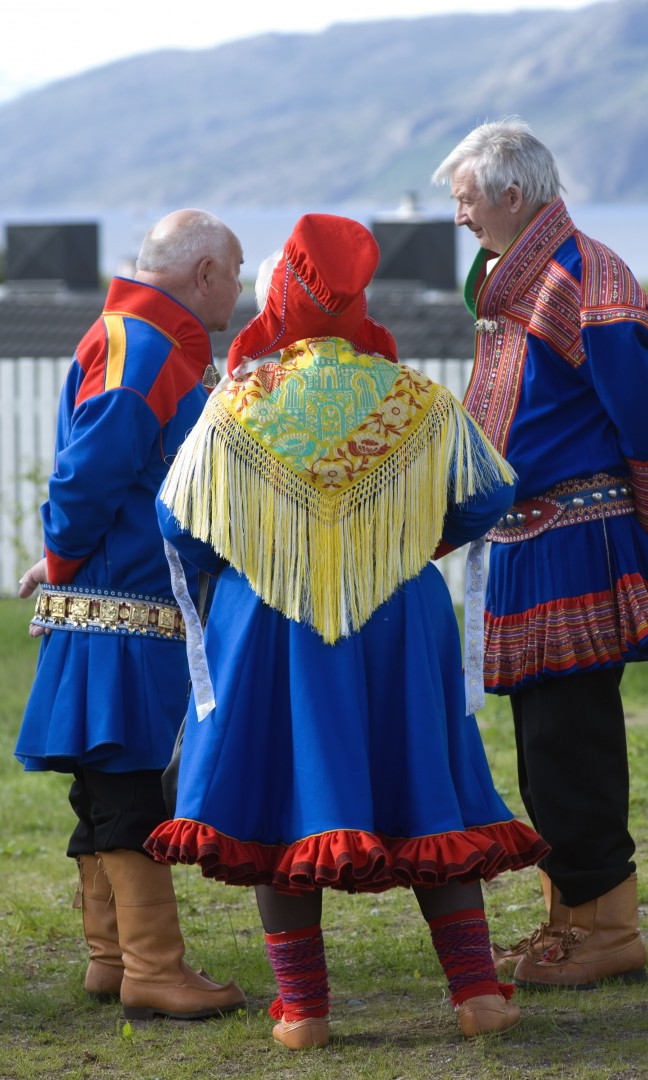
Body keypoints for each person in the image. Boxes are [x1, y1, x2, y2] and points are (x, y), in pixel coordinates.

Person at [144, 213, 550, 1050]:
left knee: (282, 798)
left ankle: (303, 1013)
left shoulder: (242, 399)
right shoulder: (413, 398)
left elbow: (176, 521)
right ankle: (476, 994)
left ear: (283, 298)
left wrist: (262, 539)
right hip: (396, 614)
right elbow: (488, 494)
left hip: (270, 622)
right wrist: (400, 539)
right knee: (423, 785)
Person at [431, 118, 648, 990]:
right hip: (529, 538)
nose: (461, 216)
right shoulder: (521, 280)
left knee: (572, 739)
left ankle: (605, 931)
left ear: (513, 195)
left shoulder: (586, 277)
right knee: (544, 741)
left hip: (577, 540)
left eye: (466, 200)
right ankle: (568, 922)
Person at [15, 209, 247, 1021]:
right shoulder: (143, 345)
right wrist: (64, 562)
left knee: (111, 780)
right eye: (237, 270)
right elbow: (84, 482)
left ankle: (111, 959)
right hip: (126, 608)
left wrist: (63, 564)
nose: (242, 288)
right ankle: (151, 968)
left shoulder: (145, 341)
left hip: (126, 602)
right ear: (205, 274)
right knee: (124, 783)